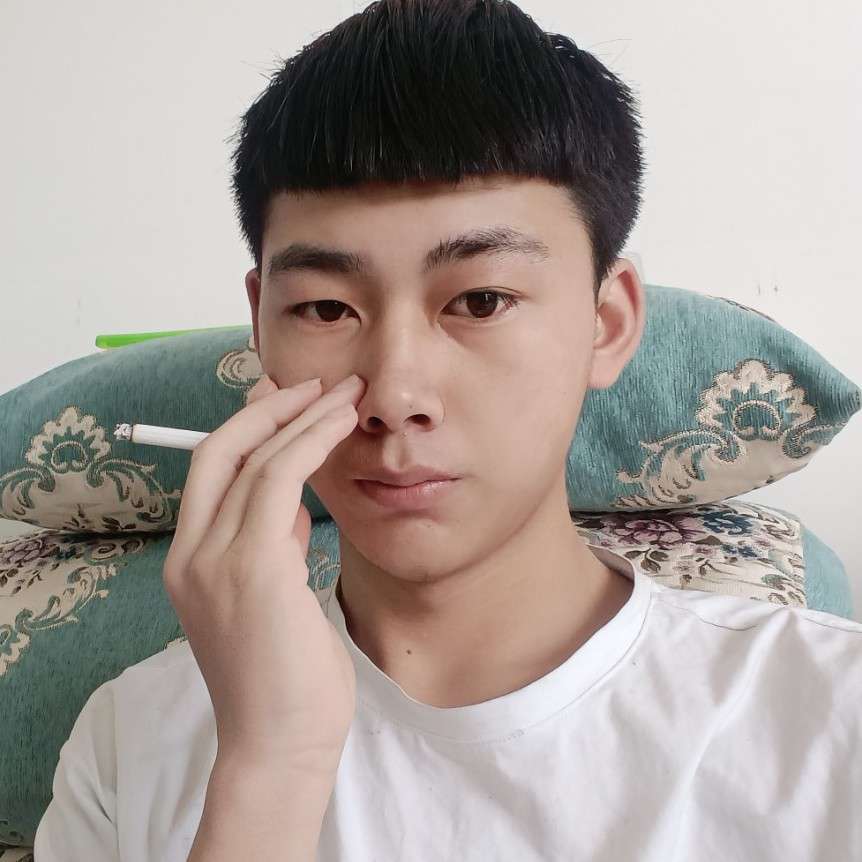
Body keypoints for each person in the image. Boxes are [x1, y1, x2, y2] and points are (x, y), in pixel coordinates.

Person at [34, 1, 862, 860]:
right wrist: (271, 763)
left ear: (607, 323)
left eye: (481, 301)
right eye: (326, 308)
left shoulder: (828, 719)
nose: (394, 395)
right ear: (260, 326)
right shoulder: (131, 742)